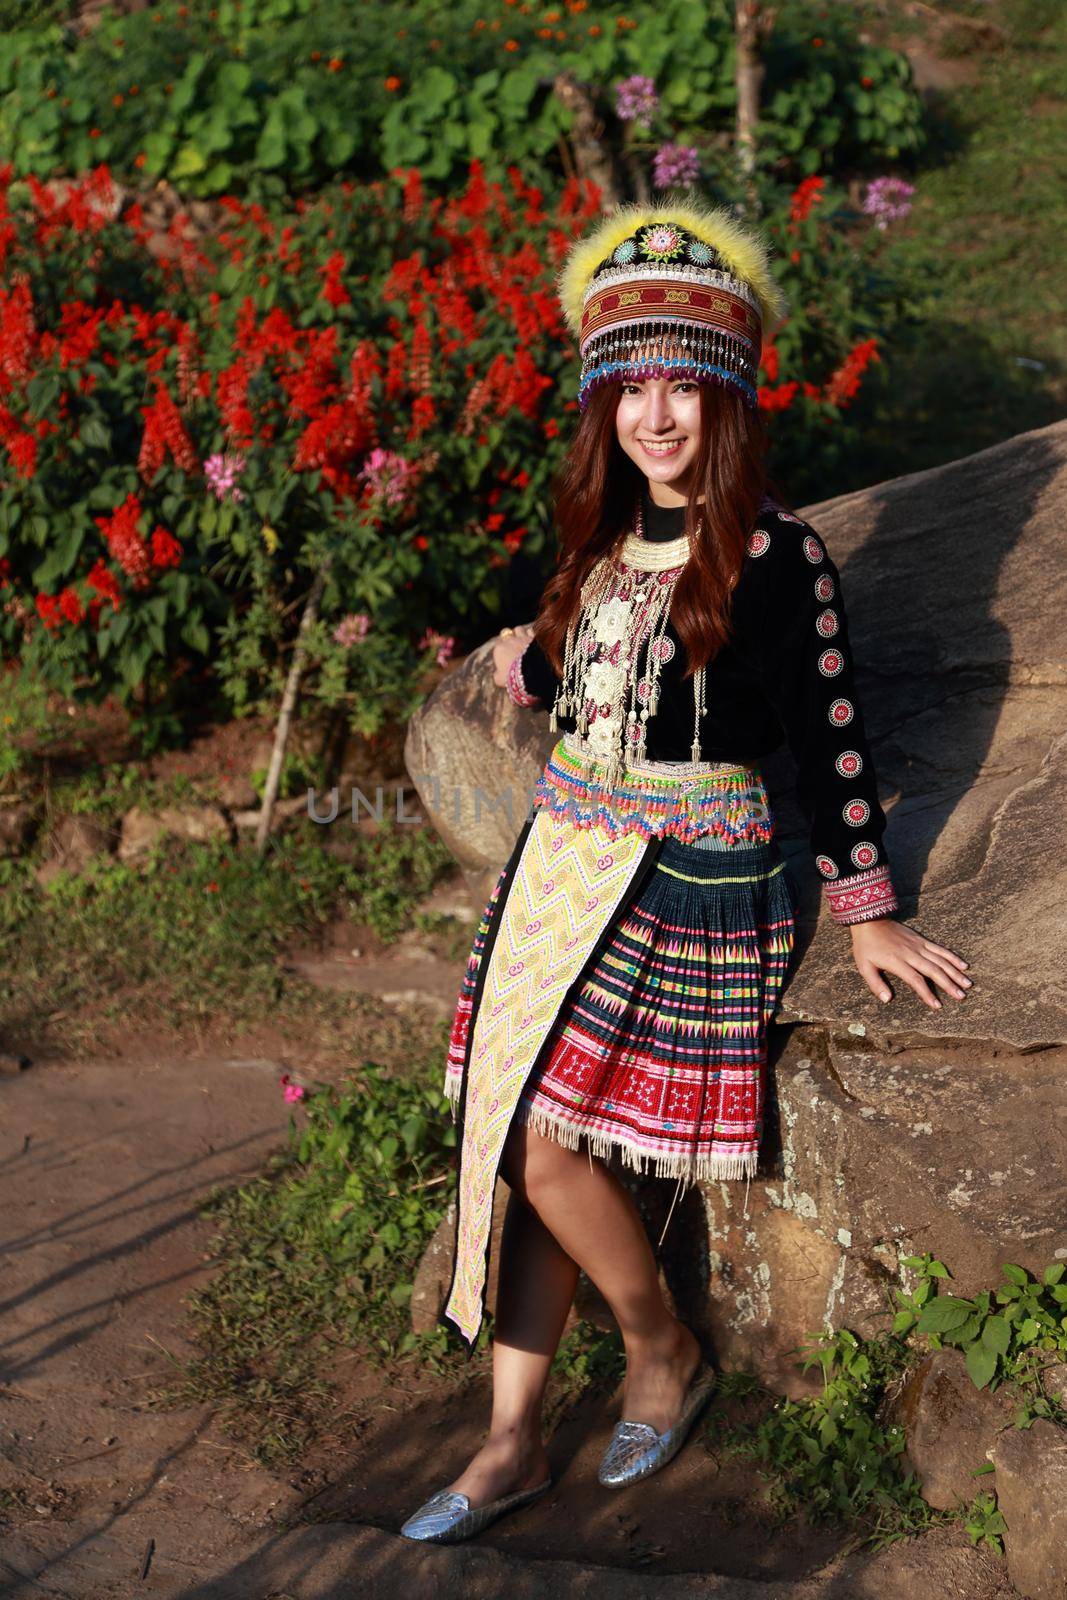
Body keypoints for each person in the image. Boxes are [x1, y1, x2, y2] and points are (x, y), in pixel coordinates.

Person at [400, 201, 971, 1545]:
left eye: (687, 385)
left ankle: (662, 1351)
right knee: (526, 1139)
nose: (660, 415)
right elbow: (560, 669)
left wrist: (868, 910)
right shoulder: (596, 547)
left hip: (695, 887)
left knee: (541, 1146)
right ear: (607, 404)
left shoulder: (776, 559)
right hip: (559, 879)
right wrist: (511, 647)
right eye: (634, 384)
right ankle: (508, 1441)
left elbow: (833, 740)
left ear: (729, 399)